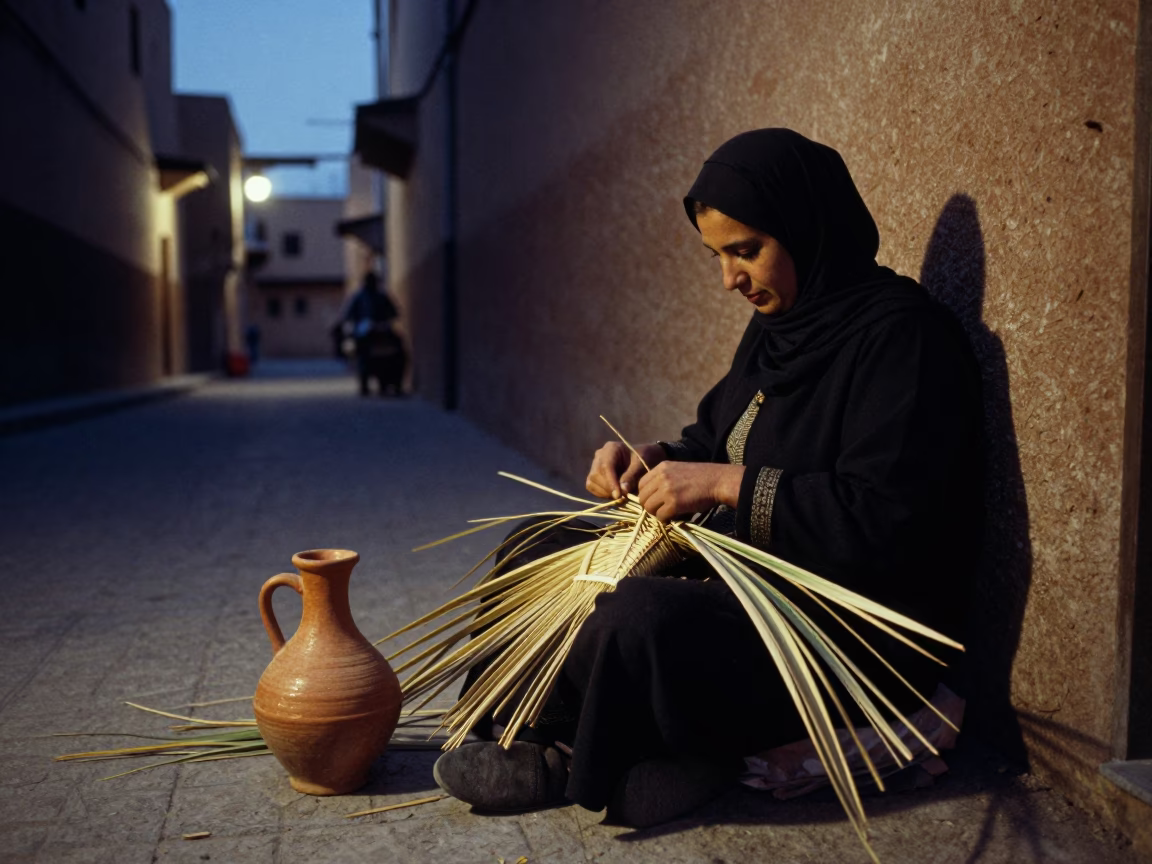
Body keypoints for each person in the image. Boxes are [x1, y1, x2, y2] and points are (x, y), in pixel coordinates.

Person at [431, 129, 984, 827]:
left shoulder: (906, 341)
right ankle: (524, 733)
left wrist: (723, 486)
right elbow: (718, 437)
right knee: (537, 546)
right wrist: (653, 458)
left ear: (809, 228)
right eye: (717, 256)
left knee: (641, 617)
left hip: (835, 630)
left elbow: (886, 521)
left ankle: (584, 760)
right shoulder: (779, 326)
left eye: (746, 251)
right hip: (744, 580)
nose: (730, 278)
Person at [344, 272, 406, 396]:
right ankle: (365, 384)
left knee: (398, 350)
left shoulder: (381, 296)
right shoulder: (359, 297)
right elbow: (348, 315)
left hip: (383, 331)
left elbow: (394, 312)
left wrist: (384, 322)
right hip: (364, 333)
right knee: (363, 354)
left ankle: (394, 384)